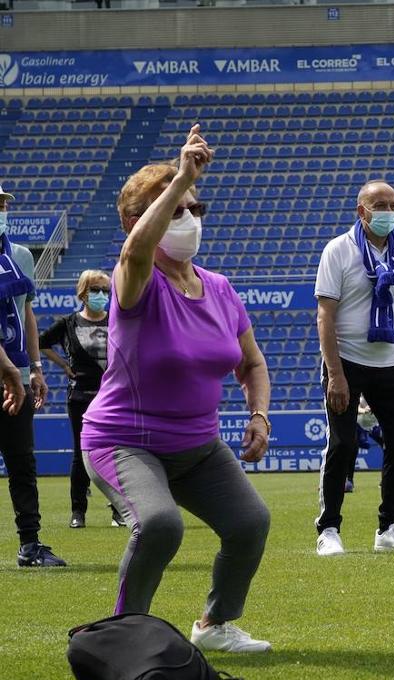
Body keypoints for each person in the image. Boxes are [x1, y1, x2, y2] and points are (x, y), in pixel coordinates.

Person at [81, 126, 273, 652]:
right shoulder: (136, 280)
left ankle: (215, 625)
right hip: (124, 441)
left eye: (195, 208)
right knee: (161, 525)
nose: (187, 219)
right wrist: (182, 174)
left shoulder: (219, 288)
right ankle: (124, 636)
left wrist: (259, 415)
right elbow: (134, 255)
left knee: (250, 523)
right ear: (134, 221)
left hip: (197, 446)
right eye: (173, 209)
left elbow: (253, 364)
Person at [314, 179, 394, 556]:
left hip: (390, 363)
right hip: (346, 360)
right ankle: (328, 528)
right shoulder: (338, 251)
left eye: (393, 205)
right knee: (342, 444)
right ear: (361, 211)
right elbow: (325, 316)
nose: (388, 212)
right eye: (380, 205)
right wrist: (336, 374)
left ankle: (389, 525)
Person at [0, 182, 63, 567]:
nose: (2, 207)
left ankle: (30, 543)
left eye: (3, 202)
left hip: (18, 375)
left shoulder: (20, 256)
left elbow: (26, 312)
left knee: (22, 462)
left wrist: (36, 367)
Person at [39, 269, 124, 528]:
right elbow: (41, 342)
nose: (101, 295)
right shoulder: (69, 323)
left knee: (116, 453)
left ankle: (119, 511)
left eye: (105, 291)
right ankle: (78, 512)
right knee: (80, 454)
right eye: (95, 290)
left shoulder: (116, 322)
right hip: (80, 396)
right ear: (82, 293)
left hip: (113, 396)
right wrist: (64, 365)